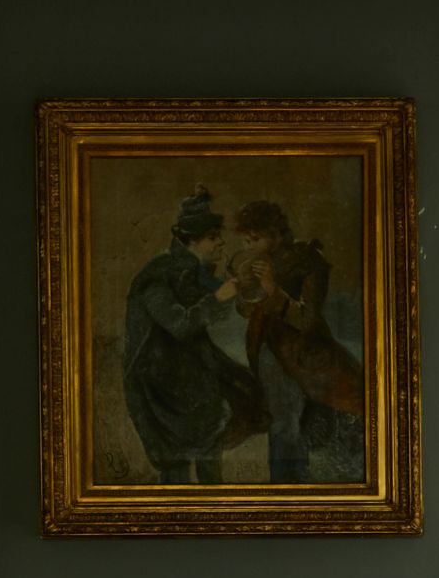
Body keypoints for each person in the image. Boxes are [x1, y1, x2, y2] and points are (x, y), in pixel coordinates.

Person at [121, 190, 260, 485]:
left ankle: (214, 508)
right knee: (176, 466)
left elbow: (216, 311)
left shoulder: (194, 271)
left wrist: (236, 290)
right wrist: (218, 298)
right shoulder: (158, 275)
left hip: (193, 381)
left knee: (211, 452)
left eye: (218, 236)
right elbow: (180, 324)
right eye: (212, 237)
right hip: (162, 389)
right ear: (191, 241)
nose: (220, 242)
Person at [230, 198, 366, 483]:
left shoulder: (307, 261)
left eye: (255, 239)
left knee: (297, 422)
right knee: (282, 422)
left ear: (276, 235)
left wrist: (272, 290)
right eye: (246, 240)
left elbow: (308, 319)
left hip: (303, 353)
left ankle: (295, 487)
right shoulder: (257, 263)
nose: (249, 246)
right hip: (269, 352)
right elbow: (246, 309)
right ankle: (284, 487)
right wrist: (244, 290)